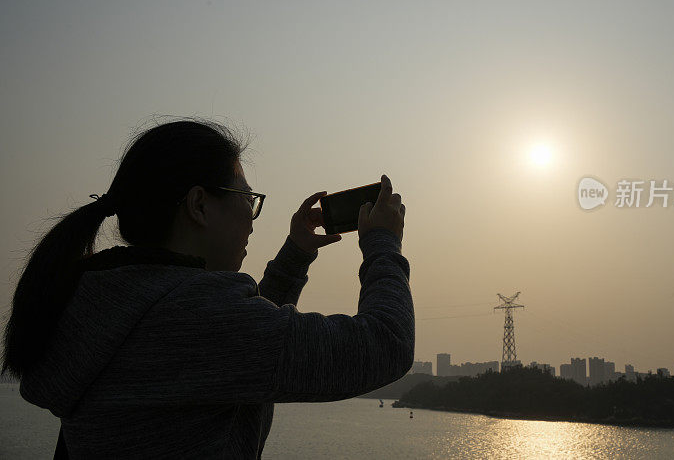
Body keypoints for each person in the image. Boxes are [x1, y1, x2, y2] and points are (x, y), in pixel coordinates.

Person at [1, 119, 413, 458]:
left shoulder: (94, 300)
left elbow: (240, 346)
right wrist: (382, 244)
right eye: (247, 198)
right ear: (199, 205)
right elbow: (386, 345)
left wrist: (294, 256)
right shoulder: (192, 314)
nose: (252, 218)